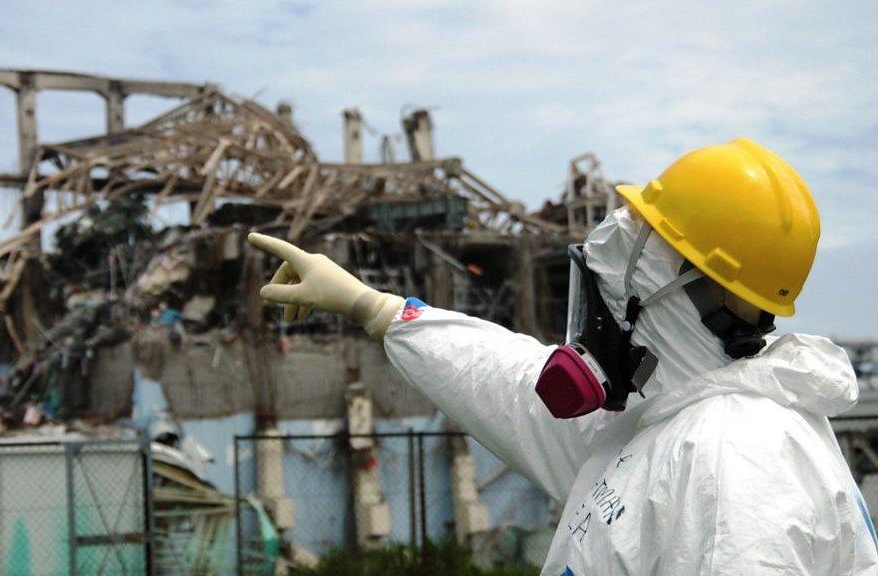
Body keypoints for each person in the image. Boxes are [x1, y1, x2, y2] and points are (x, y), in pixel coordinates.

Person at [248, 138, 878, 575]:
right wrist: (375, 307)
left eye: (633, 244)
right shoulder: (670, 417)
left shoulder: (733, 462)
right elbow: (508, 383)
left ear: (676, 280)